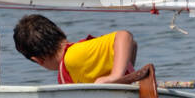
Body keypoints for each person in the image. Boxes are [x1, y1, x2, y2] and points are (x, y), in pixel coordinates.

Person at [13, 13, 148, 84]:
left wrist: (115, 76)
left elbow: (124, 37)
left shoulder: (73, 56)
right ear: (60, 31)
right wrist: (125, 77)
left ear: (38, 60)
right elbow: (133, 46)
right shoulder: (68, 65)